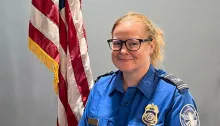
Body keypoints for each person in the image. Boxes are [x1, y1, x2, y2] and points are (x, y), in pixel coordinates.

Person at [78, 12, 200, 126]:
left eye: (133, 43)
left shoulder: (174, 96)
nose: (123, 51)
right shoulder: (100, 88)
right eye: (117, 43)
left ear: (151, 46)